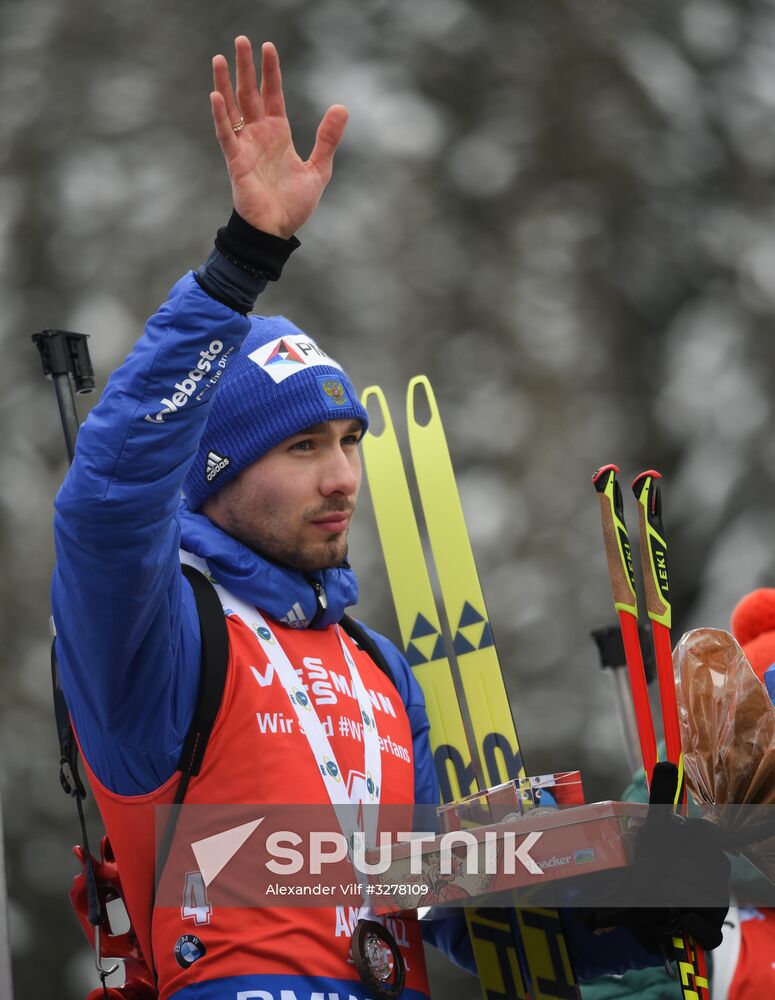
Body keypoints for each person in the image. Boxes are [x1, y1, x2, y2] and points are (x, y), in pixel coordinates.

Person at [52, 36, 715, 1000]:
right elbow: (106, 504)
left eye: (348, 441)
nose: (343, 478)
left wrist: (635, 915)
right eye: (301, 448)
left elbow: (452, 907)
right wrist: (241, 262)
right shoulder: (164, 634)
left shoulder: (374, 668)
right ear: (214, 472)